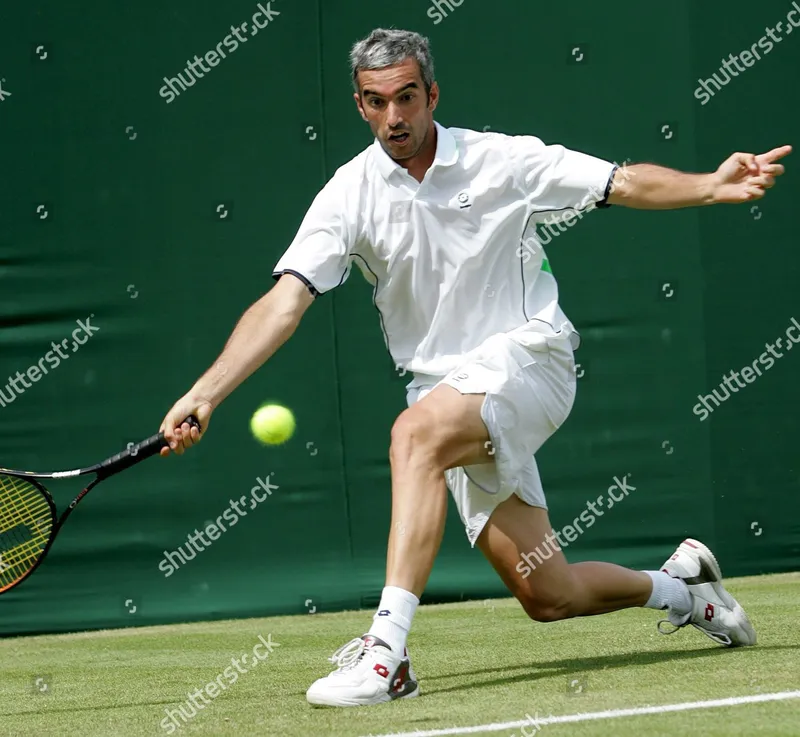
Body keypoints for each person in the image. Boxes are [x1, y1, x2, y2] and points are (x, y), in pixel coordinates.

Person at [159, 28, 791, 708]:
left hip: (531, 359)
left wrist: (707, 185)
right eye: (377, 102)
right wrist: (206, 392)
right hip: (447, 391)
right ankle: (684, 587)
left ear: (432, 94)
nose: (395, 117)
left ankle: (385, 658)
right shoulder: (348, 194)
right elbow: (283, 304)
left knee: (413, 436)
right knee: (548, 593)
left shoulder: (502, 160)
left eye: (407, 97)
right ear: (360, 106)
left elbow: (621, 181)